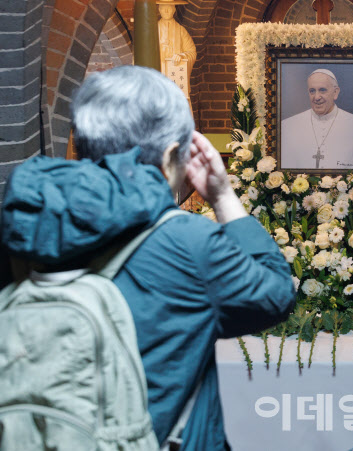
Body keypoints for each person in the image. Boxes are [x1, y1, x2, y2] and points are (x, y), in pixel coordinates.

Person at [0, 65, 296, 450]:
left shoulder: (22, 223)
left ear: (80, 142)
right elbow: (276, 294)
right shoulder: (188, 242)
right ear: (172, 156)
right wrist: (222, 196)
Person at [281, 68, 353, 170]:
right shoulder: (287, 126)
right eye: (312, 91)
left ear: (335, 92)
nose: (316, 97)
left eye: (322, 90)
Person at [157, 0, 196, 102]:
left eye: (169, 8)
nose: (166, 11)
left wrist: (182, 56)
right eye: (163, 8)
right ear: (159, 10)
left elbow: (192, 52)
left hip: (175, 76)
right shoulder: (153, 30)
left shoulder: (180, 30)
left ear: (174, 10)